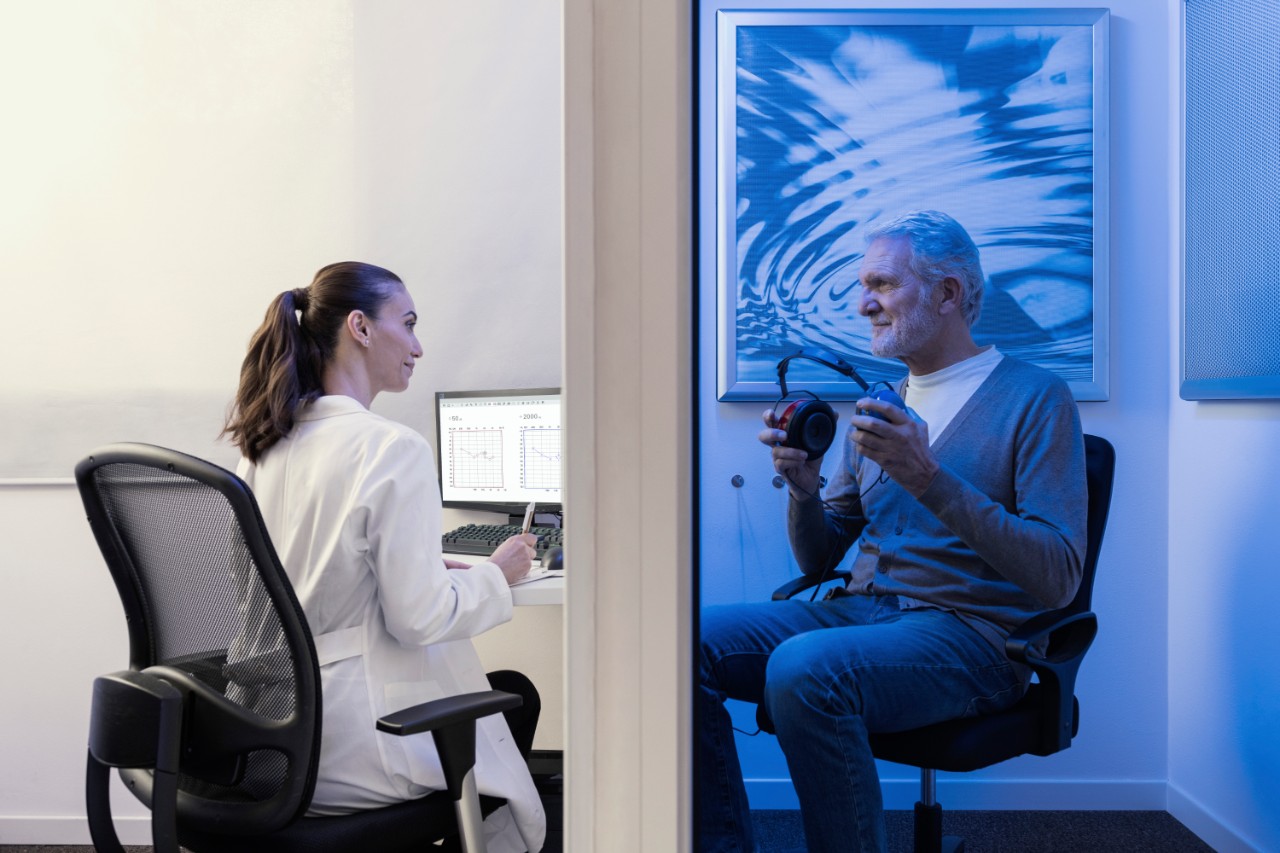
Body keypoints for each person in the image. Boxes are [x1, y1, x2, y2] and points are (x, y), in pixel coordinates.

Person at [698, 211, 1087, 853]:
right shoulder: (882, 405)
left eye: (881, 284)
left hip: (973, 637)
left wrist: (927, 476)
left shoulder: (1037, 398)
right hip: (861, 611)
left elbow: (1058, 577)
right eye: (863, 286)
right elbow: (822, 557)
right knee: (685, 640)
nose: (862, 304)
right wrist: (803, 489)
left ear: (947, 293)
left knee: (803, 668)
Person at [222, 261, 546, 853]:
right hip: (356, 750)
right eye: (409, 323)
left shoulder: (262, 447)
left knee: (505, 695)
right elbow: (418, 619)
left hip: (268, 743)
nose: (418, 347)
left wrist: (413, 567)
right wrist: (496, 576)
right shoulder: (391, 447)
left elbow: (297, 578)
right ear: (361, 328)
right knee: (515, 700)